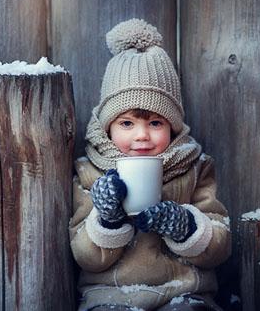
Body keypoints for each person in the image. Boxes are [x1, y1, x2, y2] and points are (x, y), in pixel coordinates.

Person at [69, 19, 232, 311]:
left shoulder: (194, 167)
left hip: (184, 294)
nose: (141, 135)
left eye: (156, 122)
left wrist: (184, 225)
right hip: (110, 297)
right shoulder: (90, 172)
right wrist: (108, 218)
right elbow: (85, 256)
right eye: (127, 123)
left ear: (173, 126)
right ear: (108, 128)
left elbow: (220, 245)